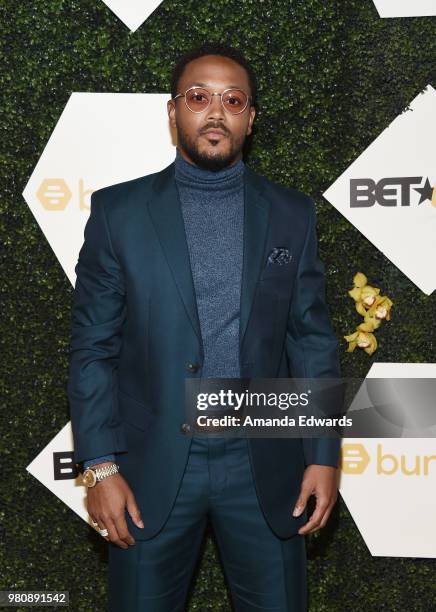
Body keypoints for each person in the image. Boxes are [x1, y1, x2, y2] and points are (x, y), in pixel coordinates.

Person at [67, 42, 342, 612]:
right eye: (198, 98)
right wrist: (98, 466)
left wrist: (323, 453)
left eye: (232, 101)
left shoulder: (292, 213)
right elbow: (93, 348)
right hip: (151, 465)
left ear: (250, 117)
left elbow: (310, 338)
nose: (214, 113)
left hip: (265, 459)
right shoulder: (118, 213)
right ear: (173, 112)